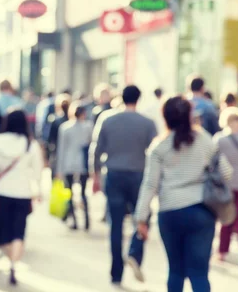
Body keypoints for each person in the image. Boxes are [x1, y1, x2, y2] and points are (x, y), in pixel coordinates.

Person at [135, 96, 233, 292]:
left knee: (175, 271)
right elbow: (227, 172)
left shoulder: (159, 147)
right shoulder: (204, 139)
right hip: (201, 212)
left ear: (165, 118)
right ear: (189, 116)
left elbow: (150, 185)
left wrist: (141, 218)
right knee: (199, 273)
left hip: (170, 212)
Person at [91, 85, 157, 285]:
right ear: (138, 99)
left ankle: (116, 273)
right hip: (138, 176)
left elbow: (96, 149)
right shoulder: (147, 123)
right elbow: (155, 152)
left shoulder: (108, 119)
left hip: (113, 175)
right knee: (142, 217)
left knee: (115, 224)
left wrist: (94, 174)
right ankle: (134, 253)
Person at [0, 110, 44, 286]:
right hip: (23, 194)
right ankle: (14, 264)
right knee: (19, 231)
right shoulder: (30, 144)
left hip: (2, 193)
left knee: (4, 232)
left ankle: (10, 257)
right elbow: (38, 171)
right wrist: (39, 190)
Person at [214, 106, 238, 267]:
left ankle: (222, 251)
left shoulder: (219, 140)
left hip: (225, 185)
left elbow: (213, 162)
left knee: (226, 218)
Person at [56, 102, 93, 230]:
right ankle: (87, 219)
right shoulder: (88, 126)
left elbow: (61, 149)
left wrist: (59, 170)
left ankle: (75, 220)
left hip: (69, 163)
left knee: (70, 193)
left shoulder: (65, 127)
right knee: (83, 192)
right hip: (83, 163)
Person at [43, 93, 71, 177]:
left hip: (56, 151)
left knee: (55, 176)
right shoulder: (71, 120)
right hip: (68, 151)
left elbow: (49, 138)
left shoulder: (54, 119)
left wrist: (47, 155)